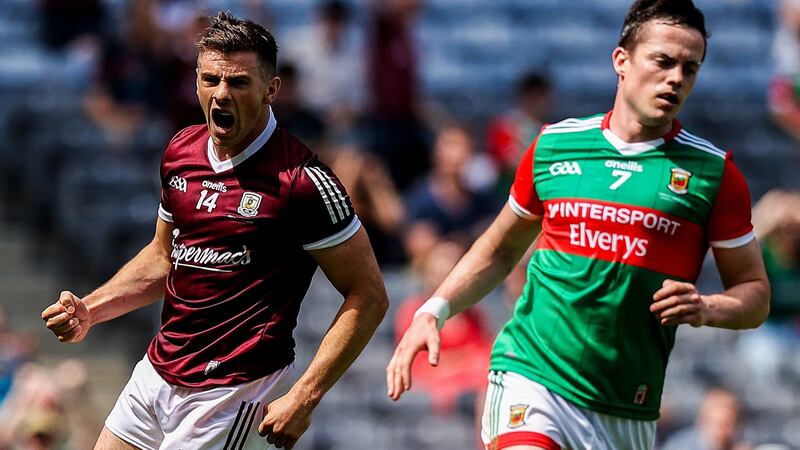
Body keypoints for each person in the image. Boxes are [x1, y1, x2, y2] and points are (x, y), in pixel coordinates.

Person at [387, 1, 771, 449]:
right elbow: (500, 249)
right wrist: (434, 310)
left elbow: (755, 294)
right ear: (621, 61)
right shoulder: (554, 145)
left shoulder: (713, 174)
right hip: (532, 375)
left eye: (691, 68)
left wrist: (707, 308)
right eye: (663, 61)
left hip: (626, 408)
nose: (676, 78)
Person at [41, 12, 388, 450]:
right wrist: (92, 309)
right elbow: (164, 257)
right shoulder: (181, 151)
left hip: (232, 391)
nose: (221, 94)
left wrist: (305, 394)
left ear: (271, 90)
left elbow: (369, 294)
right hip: (158, 371)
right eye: (210, 79)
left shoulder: (302, 181)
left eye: (239, 83)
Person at [660, 387, 751, 450]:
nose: (726, 431)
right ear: (704, 420)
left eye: (730, 424)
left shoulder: (740, 443)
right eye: (720, 424)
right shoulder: (680, 446)